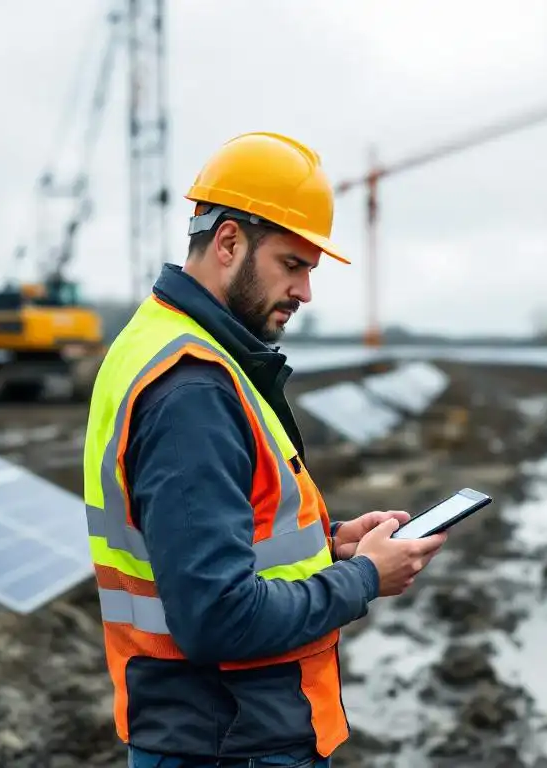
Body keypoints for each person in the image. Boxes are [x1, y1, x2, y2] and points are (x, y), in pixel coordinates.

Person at [81, 132, 448, 768]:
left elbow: (216, 537)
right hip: (227, 742)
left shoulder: (169, 344)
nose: (306, 291)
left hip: (214, 732)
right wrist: (363, 578)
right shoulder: (193, 386)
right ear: (229, 243)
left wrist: (330, 545)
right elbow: (216, 617)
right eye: (293, 264)